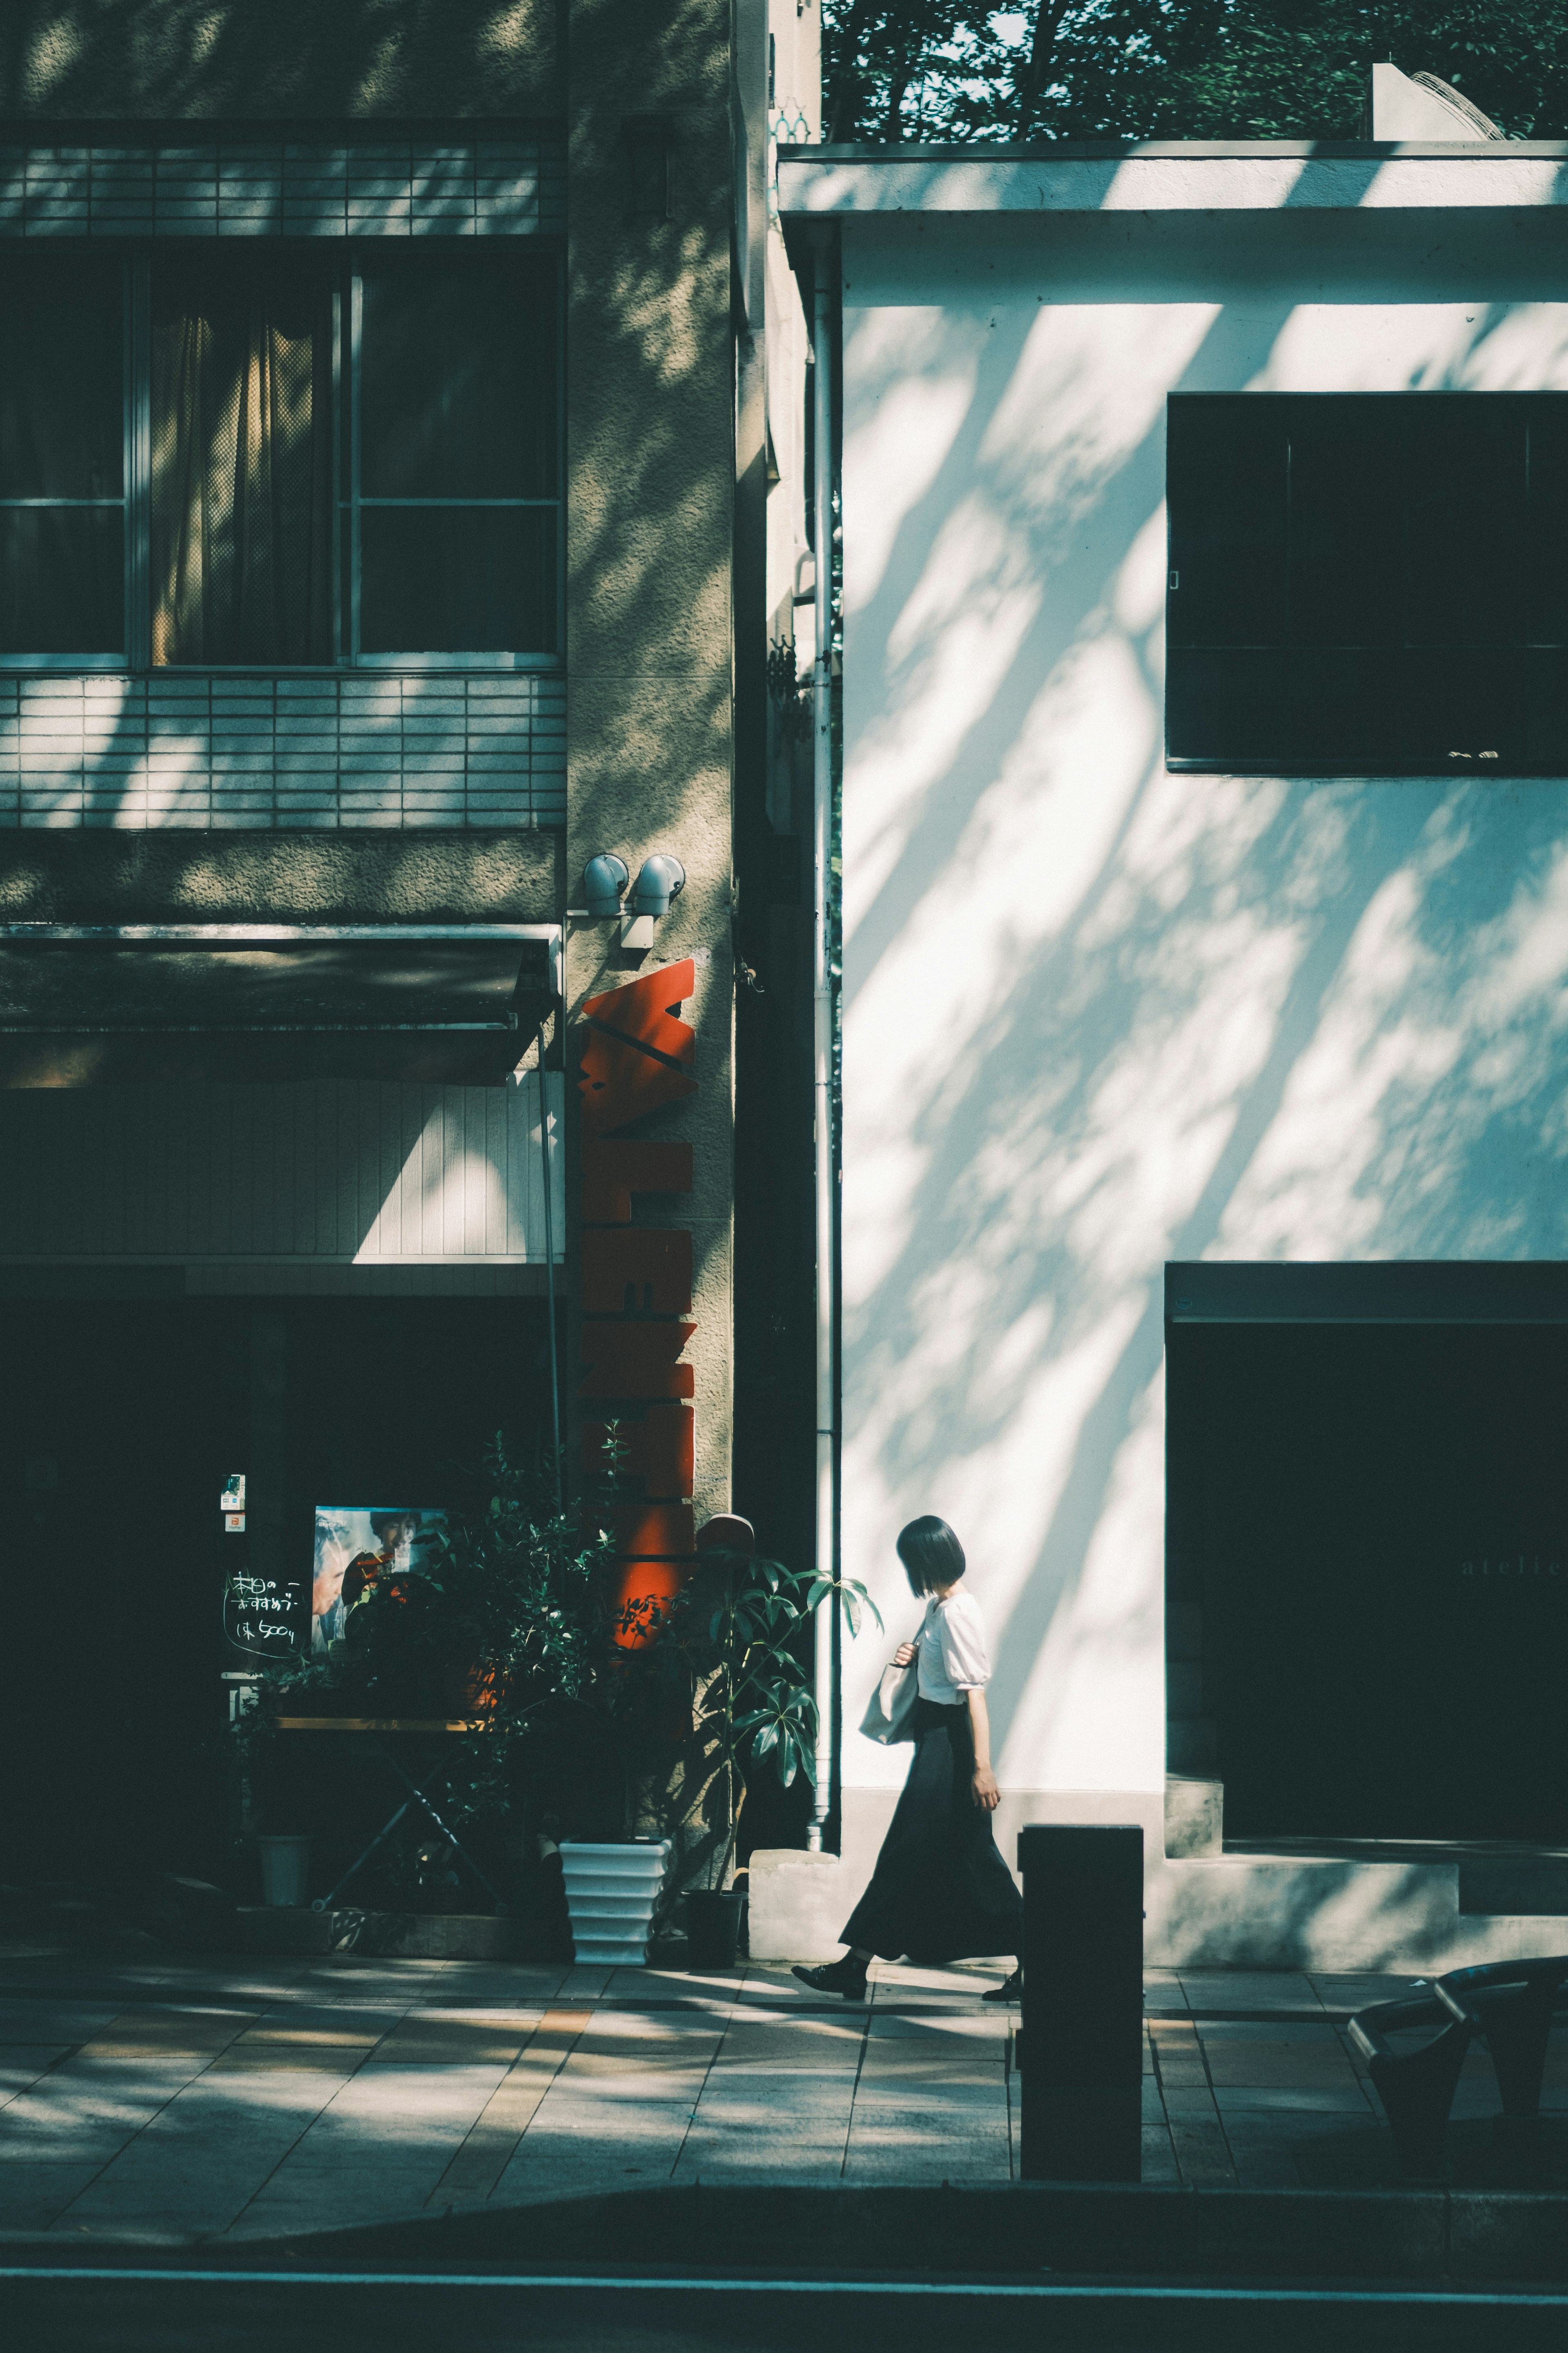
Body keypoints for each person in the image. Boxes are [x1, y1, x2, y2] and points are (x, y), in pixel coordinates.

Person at [792, 1514, 1023, 2003]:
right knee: (955, 1857)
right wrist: (916, 1659)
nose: (907, 1571)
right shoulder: (941, 1609)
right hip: (937, 1741)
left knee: (937, 1855)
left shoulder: (958, 1611)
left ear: (925, 1561)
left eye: (910, 1562)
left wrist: (982, 1767)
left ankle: (853, 1969)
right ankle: (854, 1968)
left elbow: (973, 1695)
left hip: (951, 1747)